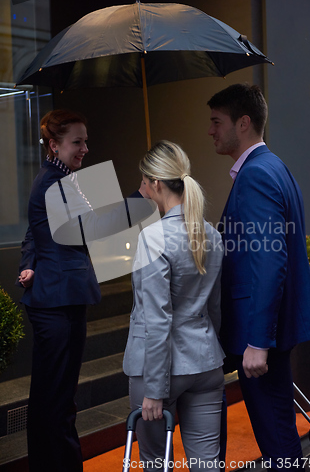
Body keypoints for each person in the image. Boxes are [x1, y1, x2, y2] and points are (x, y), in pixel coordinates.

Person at [17, 109, 153, 472]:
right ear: (54, 144)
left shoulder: (60, 179)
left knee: (54, 398)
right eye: (77, 142)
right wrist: (139, 197)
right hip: (57, 301)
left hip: (59, 296)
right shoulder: (52, 184)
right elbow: (92, 228)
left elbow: (36, 230)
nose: (85, 149)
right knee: (57, 401)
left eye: (85, 141)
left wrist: (29, 263)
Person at [207, 83, 310, 471]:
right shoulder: (275, 167)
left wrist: (258, 340)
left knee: (277, 440)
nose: (211, 131)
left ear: (243, 123)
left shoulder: (256, 175)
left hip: (260, 337)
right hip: (269, 330)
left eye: (216, 122)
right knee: (279, 436)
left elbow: (269, 261)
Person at [123, 141, 225, 472]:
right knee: (207, 463)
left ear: (156, 184)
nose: (140, 189)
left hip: (158, 373)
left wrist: (154, 390)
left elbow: (157, 320)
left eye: (142, 181)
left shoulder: (153, 237)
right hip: (205, 361)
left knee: (155, 463)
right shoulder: (212, 234)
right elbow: (214, 308)